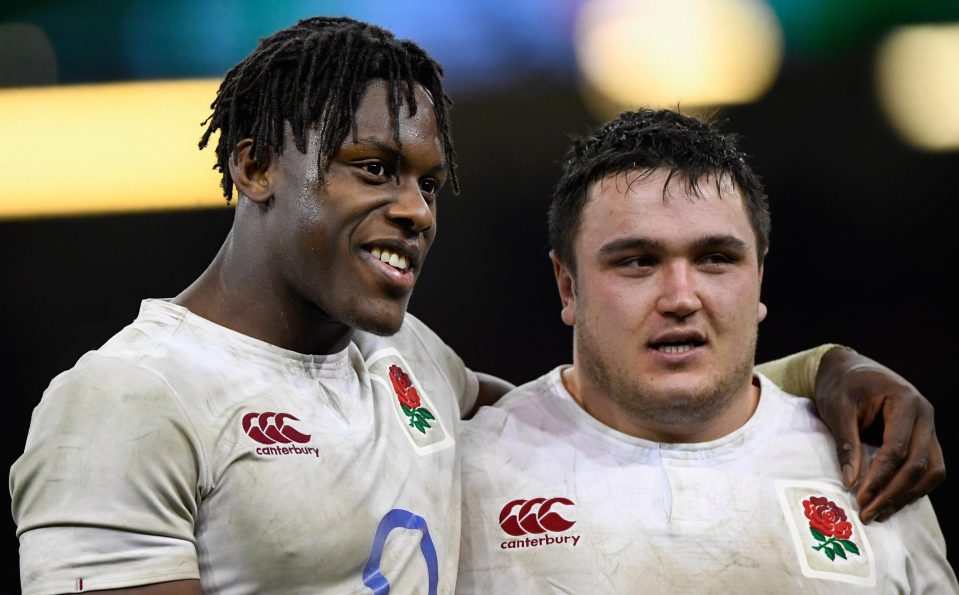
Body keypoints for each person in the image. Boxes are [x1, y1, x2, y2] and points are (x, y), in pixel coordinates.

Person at [7, 16, 944, 595]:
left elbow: (590, 402)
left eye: (427, 181)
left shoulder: (408, 361)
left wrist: (823, 371)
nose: (412, 208)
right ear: (252, 164)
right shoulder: (125, 399)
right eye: (370, 169)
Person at [456, 108, 957, 593]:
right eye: (638, 262)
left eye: (715, 259)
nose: (680, 298)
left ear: (759, 279)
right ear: (568, 287)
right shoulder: (467, 475)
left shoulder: (875, 474)